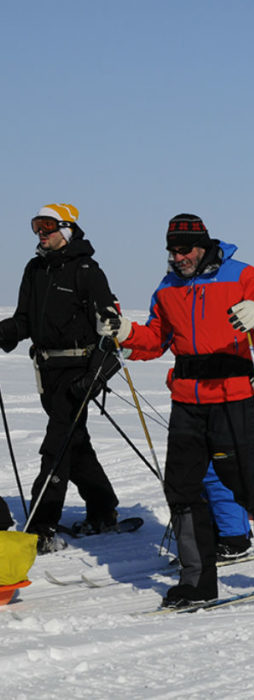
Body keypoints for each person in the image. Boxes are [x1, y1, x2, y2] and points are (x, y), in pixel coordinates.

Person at [99, 213, 254, 607]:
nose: (177, 258)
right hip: (186, 399)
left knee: (244, 484)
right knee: (180, 488)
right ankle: (196, 582)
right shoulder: (167, 288)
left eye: (184, 250)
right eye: (172, 251)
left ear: (203, 245)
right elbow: (156, 340)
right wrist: (126, 333)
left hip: (232, 396)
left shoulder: (242, 275)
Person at [0, 204, 123, 553]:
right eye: (36, 226)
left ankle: (41, 525)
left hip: (79, 373)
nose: (42, 232)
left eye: (48, 226)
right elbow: (24, 321)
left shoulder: (88, 271)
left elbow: (108, 326)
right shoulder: (35, 269)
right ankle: (103, 509)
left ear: (67, 230)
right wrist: (2, 332)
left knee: (56, 446)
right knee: (74, 443)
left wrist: (96, 372)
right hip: (47, 372)